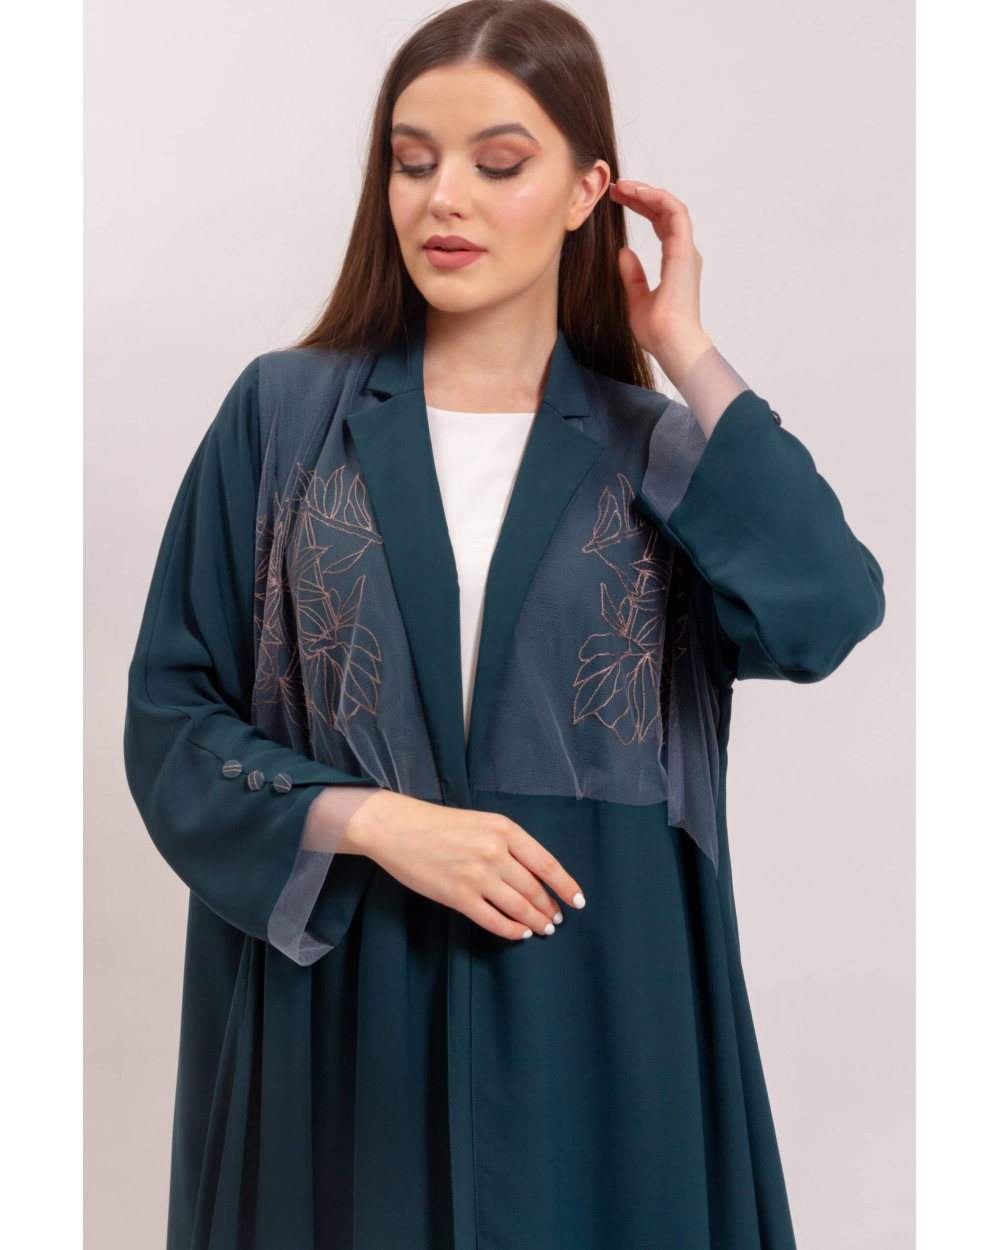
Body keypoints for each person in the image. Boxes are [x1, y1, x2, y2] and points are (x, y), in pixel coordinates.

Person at [123, 2, 886, 1247]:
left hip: (601, 1020)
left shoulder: (654, 450)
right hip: (347, 1012)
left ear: (588, 190)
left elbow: (827, 610)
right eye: (412, 161)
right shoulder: (284, 419)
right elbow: (171, 718)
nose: (444, 200)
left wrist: (683, 347)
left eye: (498, 163)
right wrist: (377, 821)